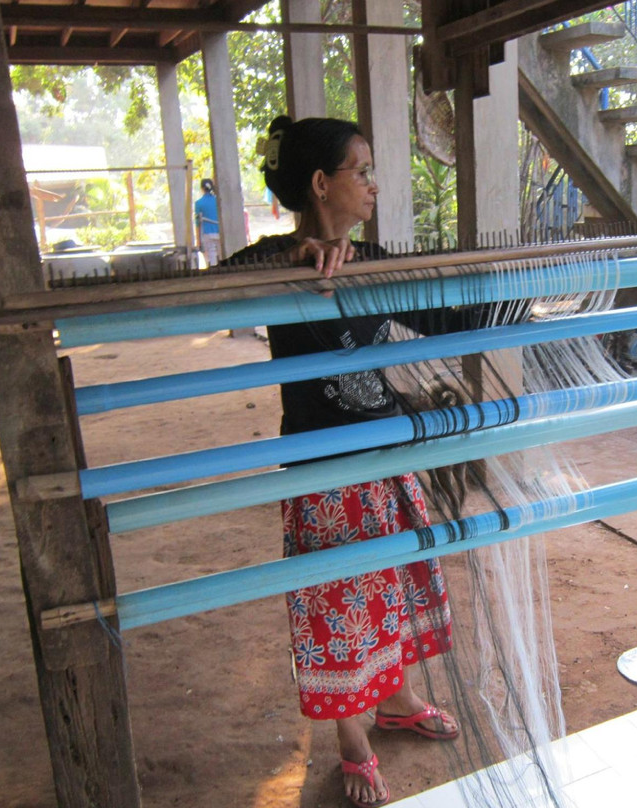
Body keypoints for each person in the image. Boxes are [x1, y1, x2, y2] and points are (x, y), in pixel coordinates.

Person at [228, 116, 459, 808]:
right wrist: (286, 260)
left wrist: (510, 289)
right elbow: (206, 286)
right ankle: (352, 742)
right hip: (324, 472)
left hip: (384, 457)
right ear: (322, 184)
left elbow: (444, 315)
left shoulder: (373, 260)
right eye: (362, 171)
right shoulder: (276, 264)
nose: (374, 185)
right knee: (338, 606)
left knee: (390, 588)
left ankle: (397, 701)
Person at [194, 178, 221, 267]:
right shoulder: (219, 201)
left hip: (207, 234)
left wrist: (198, 241)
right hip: (221, 233)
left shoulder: (198, 203)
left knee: (211, 259)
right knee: (223, 256)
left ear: (202, 188)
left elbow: (197, 223)